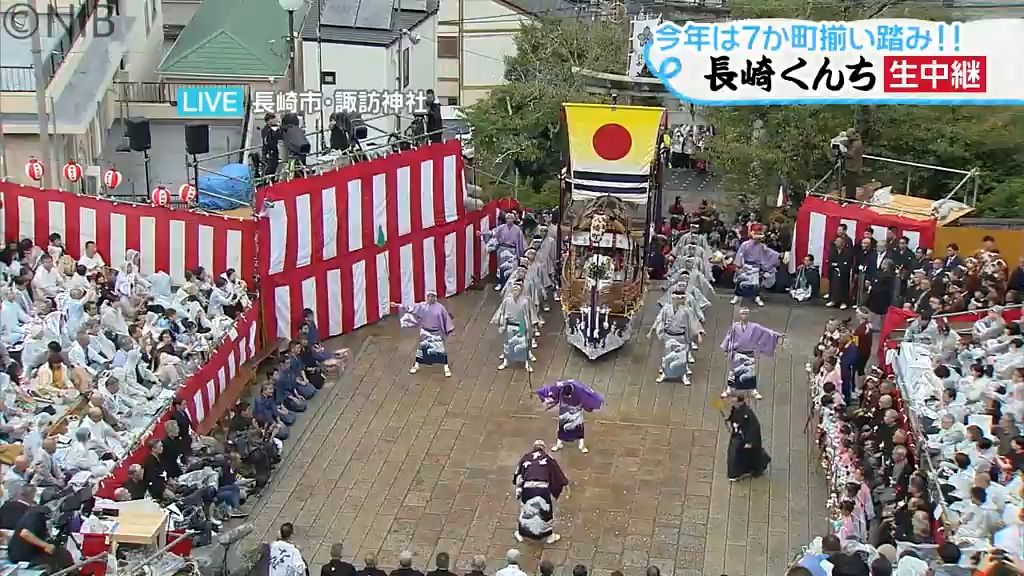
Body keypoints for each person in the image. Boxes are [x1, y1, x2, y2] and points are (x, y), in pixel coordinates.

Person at [719, 307, 783, 399]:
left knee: (750, 372)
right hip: (737, 352)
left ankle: (753, 391)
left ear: (748, 315)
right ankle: (729, 389)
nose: (744, 315)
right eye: (742, 313)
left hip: (749, 352)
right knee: (732, 372)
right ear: (739, 315)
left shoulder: (754, 326)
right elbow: (729, 338)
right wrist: (726, 350)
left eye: (746, 313)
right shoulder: (734, 326)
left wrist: (777, 334)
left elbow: (766, 331)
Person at [513, 441, 568, 544]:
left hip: (528, 489)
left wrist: (519, 488)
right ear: (543, 448)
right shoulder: (548, 458)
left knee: (526, 512)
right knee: (545, 512)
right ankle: (549, 536)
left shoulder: (525, 458)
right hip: (542, 489)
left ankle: (521, 533)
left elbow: (518, 474)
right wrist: (564, 483)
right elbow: (557, 473)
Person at [393, 290, 455, 377]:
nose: (430, 298)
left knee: (441, 351)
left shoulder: (440, 308)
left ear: (435, 297)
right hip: (425, 331)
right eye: (429, 296)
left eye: (432, 296)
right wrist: (398, 305)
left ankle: (446, 368)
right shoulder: (423, 306)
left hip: (436, 332)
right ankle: (417, 365)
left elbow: (446, 319)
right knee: (421, 349)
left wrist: (449, 329)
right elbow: (411, 308)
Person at [649, 290, 702, 385]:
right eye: (677, 298)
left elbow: (693, 323)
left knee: (681, 358)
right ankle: (665, 373)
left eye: (681, 298)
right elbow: (659, 319)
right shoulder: (666, 309)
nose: (679, 300)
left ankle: (683, 375)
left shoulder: (687, 311)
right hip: (668, 335)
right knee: (667, 356)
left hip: (681, 336)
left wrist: (697, 334)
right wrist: (653, 329)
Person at [537, 380, 603, 454]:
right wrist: (540, 393)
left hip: (576, 410)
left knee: (579, 428)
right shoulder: (560, 387)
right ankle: (559, 444)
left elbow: (587, 400)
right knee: (561, 427)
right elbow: (549, 392)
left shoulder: (580, 390)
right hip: (564, 410)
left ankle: (581, 445)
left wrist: (584, 407)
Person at [730, 223, 780, 307]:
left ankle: (757, 297)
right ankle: (736, 296)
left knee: (756, 284)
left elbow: (769, 253)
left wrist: (779, 255)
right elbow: (740, 255)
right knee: (741, 282)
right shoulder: (745, 244)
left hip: (756, 267)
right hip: (745, 266)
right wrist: (738, 266)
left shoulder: (762, 246)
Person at [726, 395, 770, 481]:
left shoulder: (748, 413)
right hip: (737, 436)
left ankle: (753, 468)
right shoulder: (736, 409)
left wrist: (750, 442)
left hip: (745, 439)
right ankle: (734, 473)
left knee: (745, 455)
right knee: (733, 454)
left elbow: (753, 428)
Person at [827, 235, 855, 310]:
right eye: (836, 241)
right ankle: (833, 300)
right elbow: (830, 261)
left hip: (843, 273)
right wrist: (833, 265)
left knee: (843, 287)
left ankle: (844, 302)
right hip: (834, 272)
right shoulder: (833, 251)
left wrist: (839, 265)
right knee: (833, 286)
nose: (837, 243)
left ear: (843, 243)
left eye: (839, 241)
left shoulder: (847, 252)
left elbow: (848, 262)